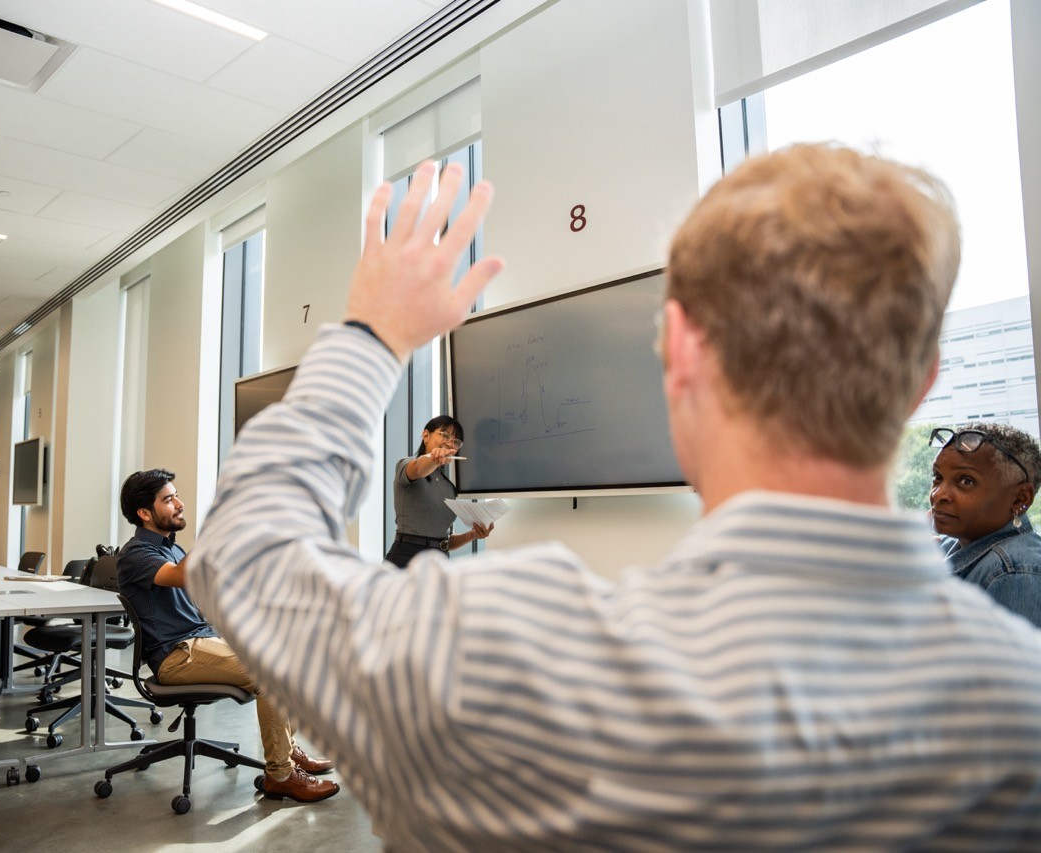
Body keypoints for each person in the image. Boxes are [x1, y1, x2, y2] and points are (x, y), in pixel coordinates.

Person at [187, 147, 1041, 848]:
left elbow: (239, 553)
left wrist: (371, 337)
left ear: (675, 352)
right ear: (920, 383)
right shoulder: (1019, 705)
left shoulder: (484, 656)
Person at [114, 468, 338, 803]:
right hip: (176, 656)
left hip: (200, 642)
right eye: (168, 499)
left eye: (176, 495)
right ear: (145, 513)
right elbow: (180, 577)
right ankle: (281, 775)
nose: (179, 503)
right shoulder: (136, 554)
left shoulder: (171, 549)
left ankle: (288, 754)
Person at [930, 422, 1041, 625]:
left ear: (1020, 499)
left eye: (966, 481)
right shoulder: (949, 544)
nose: (938, 494)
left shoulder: (1013, 573)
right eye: (937, 477)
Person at [385, 414, 493, 567]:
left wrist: (472, 535)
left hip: (438, 562)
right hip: (405, 558)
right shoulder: (407, 464)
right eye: (445, 435)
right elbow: (418, 469)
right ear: (426, 435)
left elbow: (444, 542)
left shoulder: (448, 487)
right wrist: (432, 459)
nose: (450, 444)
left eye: (455, 441)